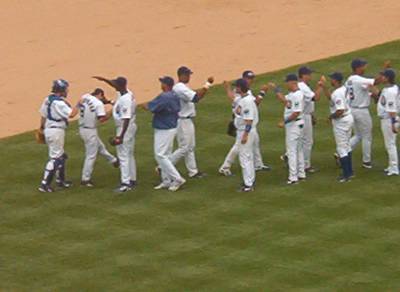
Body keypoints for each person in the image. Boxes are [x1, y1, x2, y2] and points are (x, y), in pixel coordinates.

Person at [219, 70, 270, 176]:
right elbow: (254, 104)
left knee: (255, 142)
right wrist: (262, 93)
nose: (250, 81)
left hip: (247, 123)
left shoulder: (246, 91)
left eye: (251, 78)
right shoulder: (239, 93)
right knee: (238, 146)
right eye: (248, 78)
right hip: (243, 123)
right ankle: (225, 167)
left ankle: (258, 164)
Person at [93, 76, 137, 193]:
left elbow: (126, 118)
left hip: (125, 128)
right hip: (129, 127)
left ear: (120, 86)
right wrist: (104, 80)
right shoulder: (124, 92)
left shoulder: (126, 99)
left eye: (115, 84)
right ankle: (132, 179)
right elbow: (114, 85)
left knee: (123, 156)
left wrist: (120, 137)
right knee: (129, 154)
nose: (114, 85)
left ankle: (125, 184)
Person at [169, 66, 214, 178]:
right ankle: (164, 166)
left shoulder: (182, 87)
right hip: (183, 121)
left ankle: (193, 171)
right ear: (181, 75)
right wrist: (207, 84)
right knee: (184, 148)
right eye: (187, 74)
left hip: (186, 120)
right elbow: (196, 98)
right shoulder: (180, 88)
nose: (189, 76)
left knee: (190, 147)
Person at [143, 76, 186, 191]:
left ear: (166, 85)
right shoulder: (174, 95)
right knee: (165, 155)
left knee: (160, 155)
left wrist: (144, 105)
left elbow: (150, 107)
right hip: (171, 127)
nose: (161, 84)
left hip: (164, 129)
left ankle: (177, 179)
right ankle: (166, 181)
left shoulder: (164, 96)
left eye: (162, 83)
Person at [38, 79, 80, 192]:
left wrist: (41, 128)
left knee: (61, 156)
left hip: (49, 129)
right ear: (61, 90)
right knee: (56, 158)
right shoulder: (59, 103)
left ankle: (60, 181)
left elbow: (43, 115)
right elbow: (72, 114)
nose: (67, 91)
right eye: (66, 89)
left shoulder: (48, 99)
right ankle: (44, 184)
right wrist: (79, 103)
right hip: (56, 131)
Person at [78, 88, 119, 187]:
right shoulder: (98, 104)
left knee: (100, 146)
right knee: (91, 155)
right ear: (100, 94)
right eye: (103, 96)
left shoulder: (85, 96)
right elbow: (102, 119)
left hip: (82, 128)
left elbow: (91, 105)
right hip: (90, 131)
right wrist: (112, 111)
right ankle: (85, 179)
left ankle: (113, 160)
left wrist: (108, 101)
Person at [270, 74, 306, 184]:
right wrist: (276, 89)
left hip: (294, 125)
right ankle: (301, 173)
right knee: (298, 150)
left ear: (292, 82)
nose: (285, 84)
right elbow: (285, 101)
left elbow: (296, 113)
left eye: (287, 82)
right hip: (297, 124)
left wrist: (284, 122)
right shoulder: (293, 94)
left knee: (291, 151)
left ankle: (293, 178)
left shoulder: (297, 95)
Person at [345, 59, 380, 168]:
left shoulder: (349, 80)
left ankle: (342, 153)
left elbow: (362, 91)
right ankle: (366, 161)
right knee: (367, 136)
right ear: (358, 68)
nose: (365, 68)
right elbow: (376, 81)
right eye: (363, 66)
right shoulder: (359, 80)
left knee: (358, 135)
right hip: (361, 111)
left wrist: (371, 94)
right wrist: (384, 71)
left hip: (351, 109)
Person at [320, 72, 354, 182]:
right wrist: (324, 88)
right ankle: (350, 172)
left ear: (335, 80)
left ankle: (346, 175)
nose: (331, 80)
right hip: (348, 118)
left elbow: (340, 110)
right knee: (347, 146)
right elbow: (332, 99)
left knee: (341, 148)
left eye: (331, 79)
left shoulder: (338, 93)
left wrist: (330, 117)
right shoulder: (343, 89)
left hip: (342, 121)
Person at [233, 78, 259, 192]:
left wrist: (245, 135)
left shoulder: (247, 101)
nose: (235, 88)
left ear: (240, 88)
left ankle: (248, 184)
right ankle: (250, 181)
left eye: (236, 87)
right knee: (248, 157)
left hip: (245, 131)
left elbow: (249, 120)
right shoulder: (245, 99)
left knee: (245, 158)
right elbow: (239, 111)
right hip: (246, 130)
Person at [376, 69, 400, 176]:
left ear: (388, 78)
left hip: (389, 120)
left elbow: (392, 110)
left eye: (383, 76)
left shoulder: (390, 92)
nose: (381, 78)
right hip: (388, 119)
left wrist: (393, 124)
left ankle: (394, 168)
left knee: (390, 145)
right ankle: (391, 166)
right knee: (390, 144)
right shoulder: (391, 88)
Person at [297, 66, 321, 173]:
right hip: (303, 116)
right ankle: (305, 165)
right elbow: (315, 98)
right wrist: (320, 86)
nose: (310, 76)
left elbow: (308, 103)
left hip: (305, 115)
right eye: (309, 74)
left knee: (300, 140)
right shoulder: (302, 86)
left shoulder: (302, 86)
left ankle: (290, 157)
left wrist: (312, 115)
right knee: (307, 141)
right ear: (303, 75)